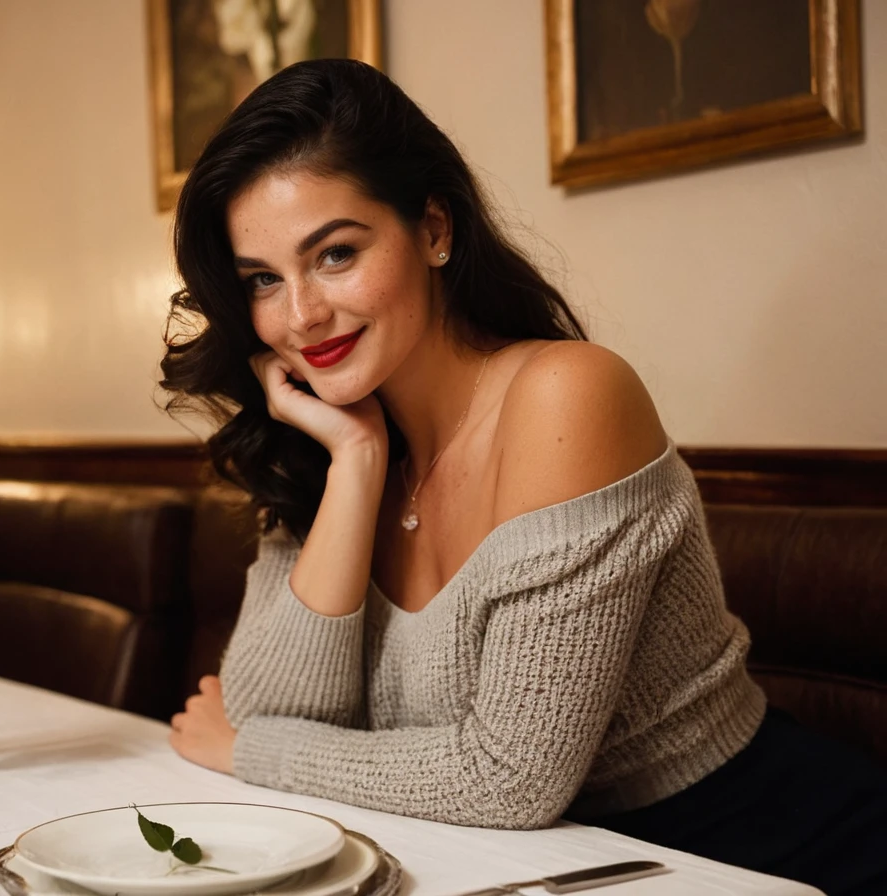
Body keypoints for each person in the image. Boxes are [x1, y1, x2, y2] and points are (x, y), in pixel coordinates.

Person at [159, 59, 887, 895]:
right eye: (263, 280)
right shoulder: (332, 434)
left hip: (757, 853)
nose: (300, 316)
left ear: (434, 229)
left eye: (335, 254)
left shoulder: (567, 394)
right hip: (527, 870)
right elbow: (263, 701)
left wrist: (255, 753)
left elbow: (508, 779)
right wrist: (354, 465)